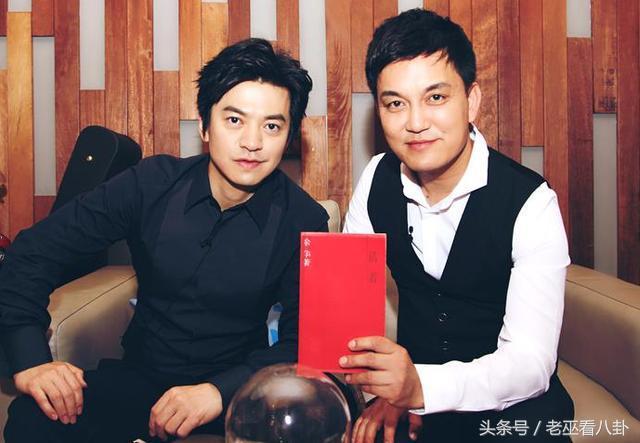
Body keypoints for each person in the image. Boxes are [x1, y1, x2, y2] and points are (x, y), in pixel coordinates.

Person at [0, 38, 328, 442]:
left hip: (236, 395)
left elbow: (305, 340)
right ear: (205, 125)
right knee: (31, 419)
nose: (252, 142)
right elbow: (33, 253)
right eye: (234, 120)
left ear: (289, 137)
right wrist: (31, 359)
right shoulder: (151, 184)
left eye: (272, 126)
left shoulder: (304, 220)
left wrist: (219, 391)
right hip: (140, 382)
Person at [339, 9, 574, 443]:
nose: (415, 123)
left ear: (472, 100)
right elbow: (348, 306)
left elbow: (531, 363)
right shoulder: (375, 179)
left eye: (435, 97)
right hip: (419, 412)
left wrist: (421, 388)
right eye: (395, 104)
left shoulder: (531, 202)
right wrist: (385, 391)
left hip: (515, 415)